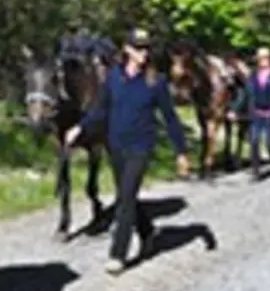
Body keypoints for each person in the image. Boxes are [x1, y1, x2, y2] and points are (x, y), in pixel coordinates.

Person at [65, 27, 190, 276]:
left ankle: (118, 254)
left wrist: (181, 152)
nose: (143, 53)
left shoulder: (156, 82)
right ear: (127, 50)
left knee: (124, 199)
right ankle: (147, 231)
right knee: (128, 195)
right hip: (116, 146)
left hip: (140, 147)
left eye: (146, 49)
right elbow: (100, 109)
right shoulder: (113, 78)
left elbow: (170, 118)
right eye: (138, 48)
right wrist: (79, 127)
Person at [228, 47, 270, 181]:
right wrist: (234, 109)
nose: (264, 60)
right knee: (254, 141)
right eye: (261, 58)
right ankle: (256, 171)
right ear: (257, 60)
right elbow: (244, 95)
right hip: (256, 113)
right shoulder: (252, 76)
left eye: (267, 57)